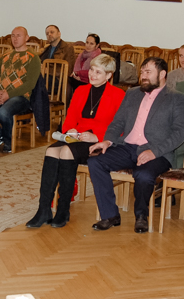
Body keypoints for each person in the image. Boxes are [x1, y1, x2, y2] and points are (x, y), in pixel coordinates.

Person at [87, 57, 184, 233]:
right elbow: (118, 122)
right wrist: (107, 141)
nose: (143, 76)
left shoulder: (177, 98)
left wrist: (154, 152)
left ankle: (141, 215)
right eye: (142, 72)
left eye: (148, 72)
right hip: (127, 146)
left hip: (158, 151)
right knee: (95, 162)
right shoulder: (132, 93)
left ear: (162, 74)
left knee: (143, 175)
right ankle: (110, 215)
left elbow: (179, 133)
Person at [27, 54, 124, 229]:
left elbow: (120, 126)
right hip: (77, 137)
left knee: (66, 152)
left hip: (100, 142)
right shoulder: (81, 91)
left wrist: (97, 136)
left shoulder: (118, 95)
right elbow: (70, 117)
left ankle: (63, 210)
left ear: (109, 75)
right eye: (92, 70)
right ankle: (44, 210)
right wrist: (70, 130)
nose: (92, 74)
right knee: (51, 150)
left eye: (98, 72)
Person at [0, 26, 41, 152]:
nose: (15, 38)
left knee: (3, 112)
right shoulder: (5, 56)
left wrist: (8, 94)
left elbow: (30, 84)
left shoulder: (33, 57)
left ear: (26, 38)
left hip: (22, 97)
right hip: (2, 95)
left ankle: (8, 142)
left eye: (19, 35)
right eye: (13, 35)